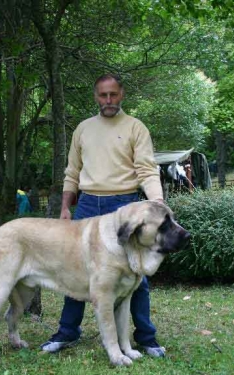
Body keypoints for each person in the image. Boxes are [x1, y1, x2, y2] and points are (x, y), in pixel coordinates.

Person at [40, 73, 166, 358]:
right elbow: (72, 172)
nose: (107, 100)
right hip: (87, 205)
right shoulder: (83, 129)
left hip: (125, 206)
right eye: (102, 95)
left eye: (112, 94)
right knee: (75, 269)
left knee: (137, 274)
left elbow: (147, 170)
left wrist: (156, 202)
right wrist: (64, 206)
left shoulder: (136, 128)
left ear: (121, 94)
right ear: (95, 96)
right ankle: (67, 332)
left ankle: (146, 337)